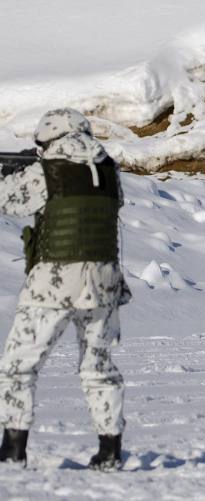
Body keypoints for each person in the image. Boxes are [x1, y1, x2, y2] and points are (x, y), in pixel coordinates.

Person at [0, 108, 129, 470]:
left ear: (49, 138)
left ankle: (12, 450)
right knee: (98, 368)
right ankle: (109, 451)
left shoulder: (47, 171)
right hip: (104, 281)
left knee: (18, 365)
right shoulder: (108, 170)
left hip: (54, 282)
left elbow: (7, 200)